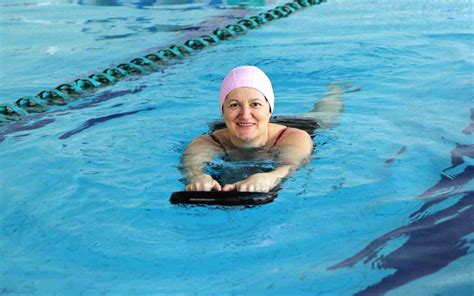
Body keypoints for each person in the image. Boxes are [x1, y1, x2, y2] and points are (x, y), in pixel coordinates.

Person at [181, 65, 343, 193]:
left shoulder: (296, 138)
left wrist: (269, 177)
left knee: (325, 117)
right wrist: (197, 178)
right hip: (238, 131)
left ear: (270, 109)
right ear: (223, 110)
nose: (245, 114)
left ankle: (336, 90)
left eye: (255, 104)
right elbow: (192, 169)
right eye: (234, 105)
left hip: (288, 132)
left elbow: (289, 166)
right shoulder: (207, 142)